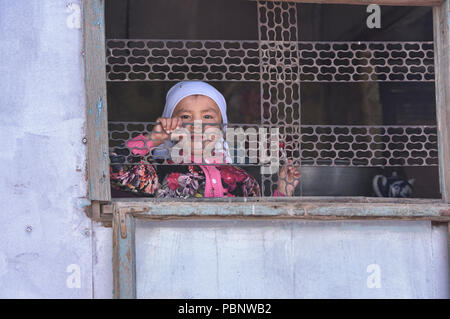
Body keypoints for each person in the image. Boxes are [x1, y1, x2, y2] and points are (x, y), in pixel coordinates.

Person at [110, 81, 300, 198]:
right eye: (185, 117)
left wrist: (283, 191)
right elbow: (113, 169)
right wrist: (154, 138)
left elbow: (260, 225)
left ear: (222, 127)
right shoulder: (157, 174)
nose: (197, 124)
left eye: (208, 117)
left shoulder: (244, 180)